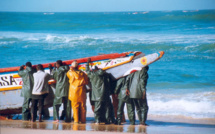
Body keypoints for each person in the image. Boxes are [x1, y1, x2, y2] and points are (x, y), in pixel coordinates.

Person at [86, 58, 110, 124]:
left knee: (97, 108)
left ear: (94, 70)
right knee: (104, 108)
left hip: (97, 95)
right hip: (104, 94)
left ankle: (97, 121)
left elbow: (87, 71)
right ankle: (105, 120)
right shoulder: (104, 75)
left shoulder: (93, 75)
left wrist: (87, 63)